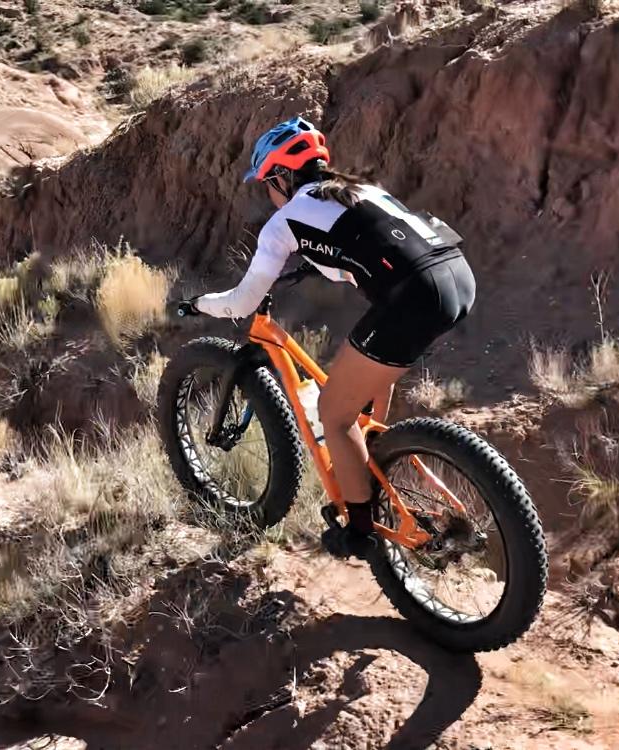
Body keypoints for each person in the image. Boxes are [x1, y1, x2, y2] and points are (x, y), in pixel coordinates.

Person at [178, 116, 476, 559]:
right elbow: (368, 242)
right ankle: (373, 445)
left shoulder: (283, 223)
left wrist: (200, 303)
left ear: (282, 175)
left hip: (414, 295)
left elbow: (242, 303)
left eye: (267, 183)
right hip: (456, 275)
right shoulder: (362, 190)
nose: (268, 193)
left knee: (334, 413)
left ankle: (359, 531)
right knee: (373, 354)